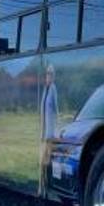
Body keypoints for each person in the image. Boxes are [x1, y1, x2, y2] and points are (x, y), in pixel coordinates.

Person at [39, 64, 59, 196]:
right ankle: (42, 188)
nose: (49, 76)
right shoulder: (45, 91)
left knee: (46, 162)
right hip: (43, 133)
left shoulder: (53, 89)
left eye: (51, 74)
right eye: (47, 74)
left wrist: (55, 132)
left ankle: (45, 189)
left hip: (49, 134)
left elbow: (56, 110)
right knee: (42, 162)